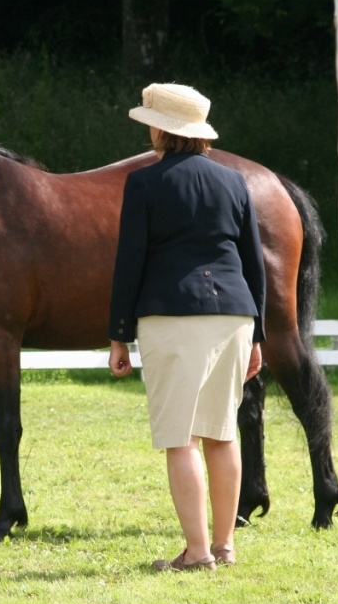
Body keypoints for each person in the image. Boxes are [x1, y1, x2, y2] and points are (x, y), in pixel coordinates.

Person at [108, 83, 266, 572]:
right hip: (234, 315)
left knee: (181, 439)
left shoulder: (144, 183)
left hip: (173, 315)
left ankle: (196, 554)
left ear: (162, 129)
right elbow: (252, 263)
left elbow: (129, 263)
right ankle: (224, 546)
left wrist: (118, 333)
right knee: (222, 435)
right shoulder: (234, 182)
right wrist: (257, 334)